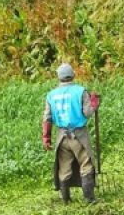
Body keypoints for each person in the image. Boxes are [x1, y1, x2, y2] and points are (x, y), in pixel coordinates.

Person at [42, 63, 99, 203]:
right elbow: (87, 112)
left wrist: (46, 138)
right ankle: (89, 199)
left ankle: (66, 200)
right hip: (79, 136)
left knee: (64, 168)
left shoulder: (51, 95)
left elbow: (47, 118)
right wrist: (94, 102)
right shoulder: (80, 91)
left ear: (58, 77)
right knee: (86, 165)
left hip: (62, 136)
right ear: (73, 75)